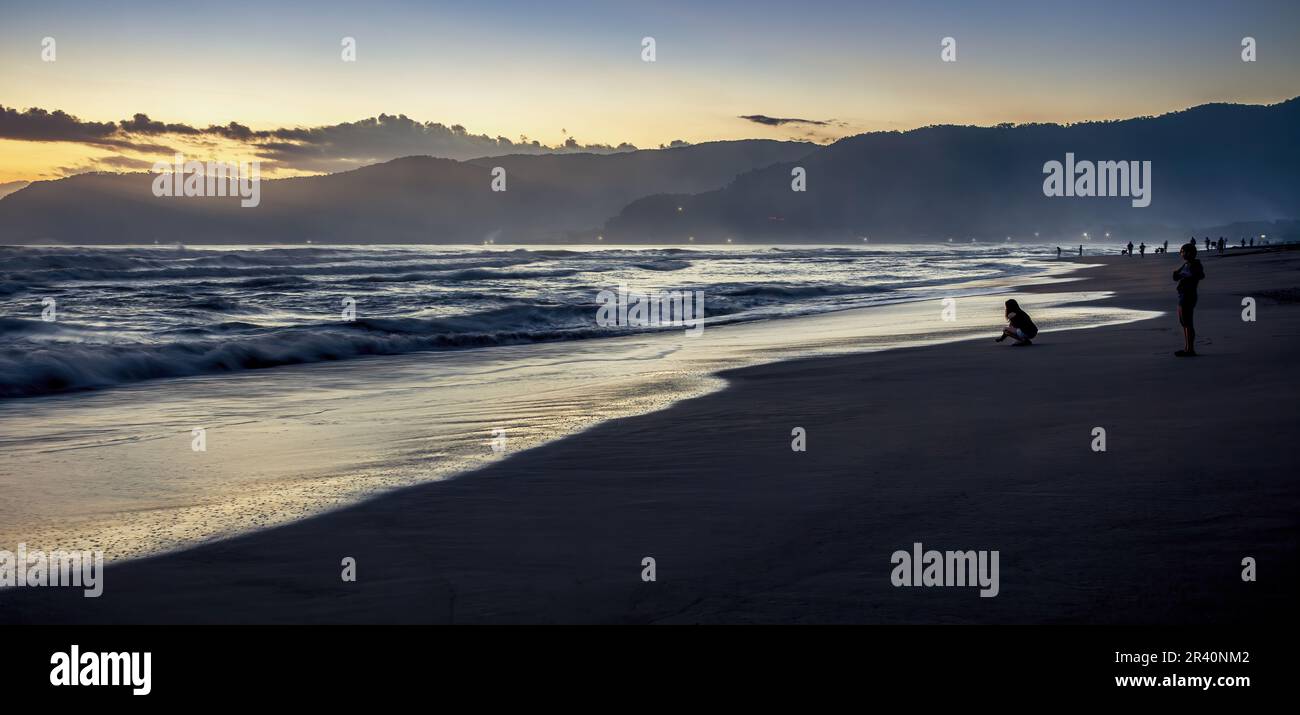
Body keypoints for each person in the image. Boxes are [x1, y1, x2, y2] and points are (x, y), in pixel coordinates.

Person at [1173, 242, 1205, 357]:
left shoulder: (1194, 264)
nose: (1181, 254)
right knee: (1184, 323)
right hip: (1183, 294)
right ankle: (1187, 348)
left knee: (1187, 322)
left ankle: (1190, 349)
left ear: (1188, 253)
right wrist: (1180, 274)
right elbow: (1175, 276)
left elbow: (1201, 275)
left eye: (1182, 251)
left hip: (1188, 295)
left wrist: (1187, 275)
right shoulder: (1187, 264)